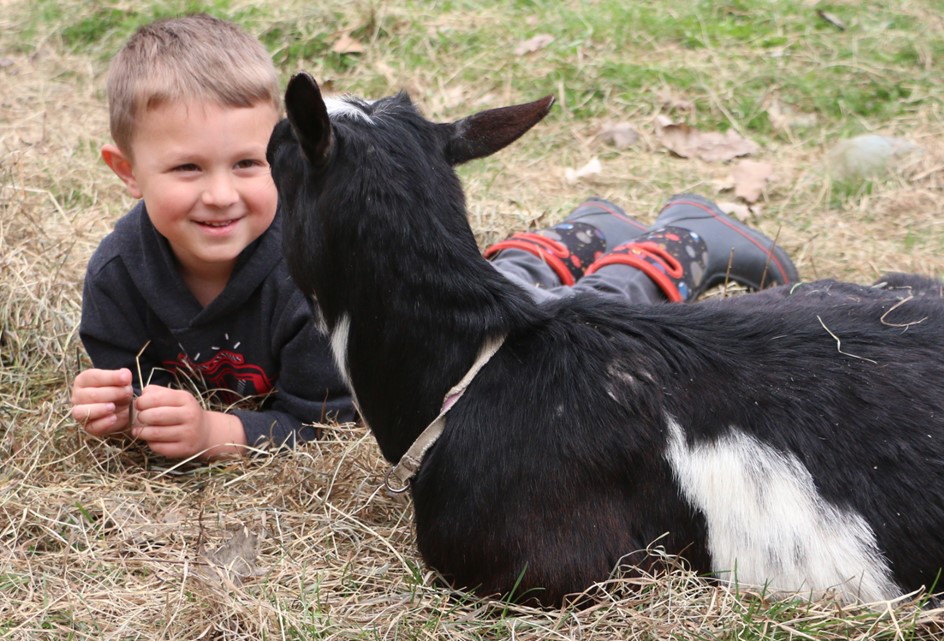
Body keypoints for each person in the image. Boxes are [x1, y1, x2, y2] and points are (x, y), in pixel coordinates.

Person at [69, 14, 797, 462]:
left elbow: (324, 423)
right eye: (188, 168)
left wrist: (221, 435)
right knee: (508, 278)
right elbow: (127, 378)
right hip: (455, 303)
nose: (221, 194)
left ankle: (673, 248)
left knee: (570, 318)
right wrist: (114, 406)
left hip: (473, 336)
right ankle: (579, 230)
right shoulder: (117, 275)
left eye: (249, 163)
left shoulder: (311, 274)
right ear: (127, 172)